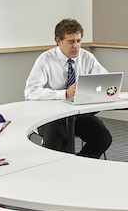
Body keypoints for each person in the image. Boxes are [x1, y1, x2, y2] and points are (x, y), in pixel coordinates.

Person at [24, 18, 112, 159]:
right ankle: (59, 174)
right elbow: (30, 92)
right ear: (59, 41)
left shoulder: (87, 57)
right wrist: (64, 93)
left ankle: (79, 164)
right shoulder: (45, 60)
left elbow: (105, 80)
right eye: (71, 42)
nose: (76, 46)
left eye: (78, 41)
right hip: (49, 117)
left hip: (77, 114)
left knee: (103, 138)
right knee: (57, 142)